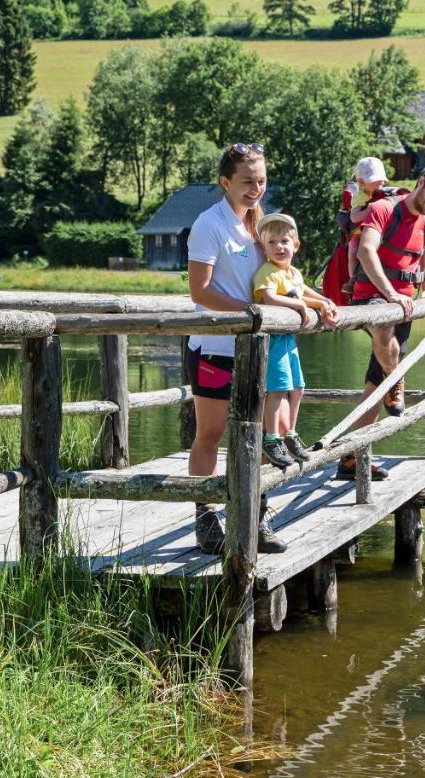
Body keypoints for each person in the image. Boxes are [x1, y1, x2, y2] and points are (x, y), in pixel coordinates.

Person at [184, 142, 286, 556]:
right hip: (214, 348)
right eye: (247, 182)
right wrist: (252, 310)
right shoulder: (209, 225)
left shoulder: (259, 223)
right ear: (225, 182)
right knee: (211, 433)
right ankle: (206, 518)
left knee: (261, 435)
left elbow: (279, 279)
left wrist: (313, 301)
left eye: (261, 181)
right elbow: (200, 290)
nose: (255, 189)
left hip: (255, 348)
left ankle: (255, 516)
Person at [335, 159, 425, 482]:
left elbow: (424, 253)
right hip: (373, 295)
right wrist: (390, 294)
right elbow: (366, 252)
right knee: (383, 329)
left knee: (374, 386)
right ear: (421, 182)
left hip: (405, 301)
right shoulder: (384, 209)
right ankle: (398, 378)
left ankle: (351, 457)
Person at [252, 211, 339, 468]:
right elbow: (269, 298)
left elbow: (307, 294)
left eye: (284, 241)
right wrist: (300, 305)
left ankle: (290, 433)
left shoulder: (293, 274)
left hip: (289, 341)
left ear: (295, 245)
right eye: (272, 242)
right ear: (263, 247)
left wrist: (324, 304)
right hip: (274, 342)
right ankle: (272, 437)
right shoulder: (267, 272)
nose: (279, 247)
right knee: (277, 390)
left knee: (298, 386)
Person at [343, 156, 388, 296]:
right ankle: (353, 279)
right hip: (360, 232)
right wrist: (372, 208)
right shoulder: (360, 197)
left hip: (380, 230)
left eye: (381, 181)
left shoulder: (385, 193)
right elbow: (354, 216)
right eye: (375, 182)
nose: (379, 185)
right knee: (353, 250)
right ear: (362, 182)